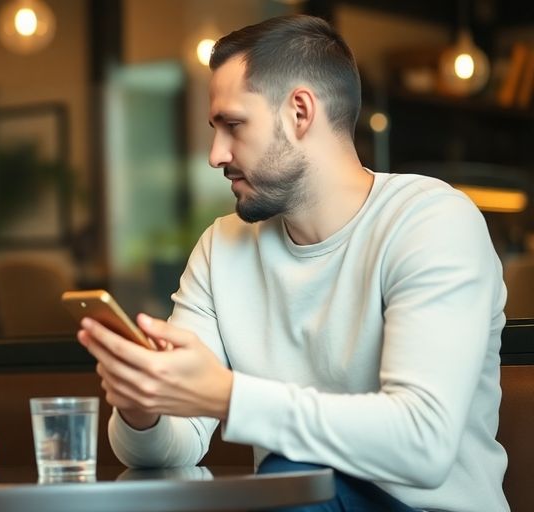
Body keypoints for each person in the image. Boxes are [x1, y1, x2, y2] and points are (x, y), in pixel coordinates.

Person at [77, 15, 507, 511]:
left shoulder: (432, 222)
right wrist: (143, 404)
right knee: (289, 482)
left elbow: (423, 443)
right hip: (299, 501)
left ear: (300, 112)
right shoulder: (222, 247)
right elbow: (172, 448)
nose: (216, 155)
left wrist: (226, 395)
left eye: (233, 125)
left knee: (290, 477)